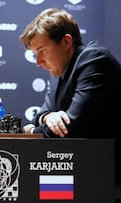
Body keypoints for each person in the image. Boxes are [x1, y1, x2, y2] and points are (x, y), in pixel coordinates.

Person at [20, 8, 121, 201]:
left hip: (109, 183)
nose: (38, 62)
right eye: (35, 53)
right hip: (86, 178)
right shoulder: (59, 71)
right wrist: (47, 117)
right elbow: (42, 114)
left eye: (42, 51)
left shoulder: (94, 60)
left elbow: (71, 129)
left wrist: (32, 131)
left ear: (66, 41)